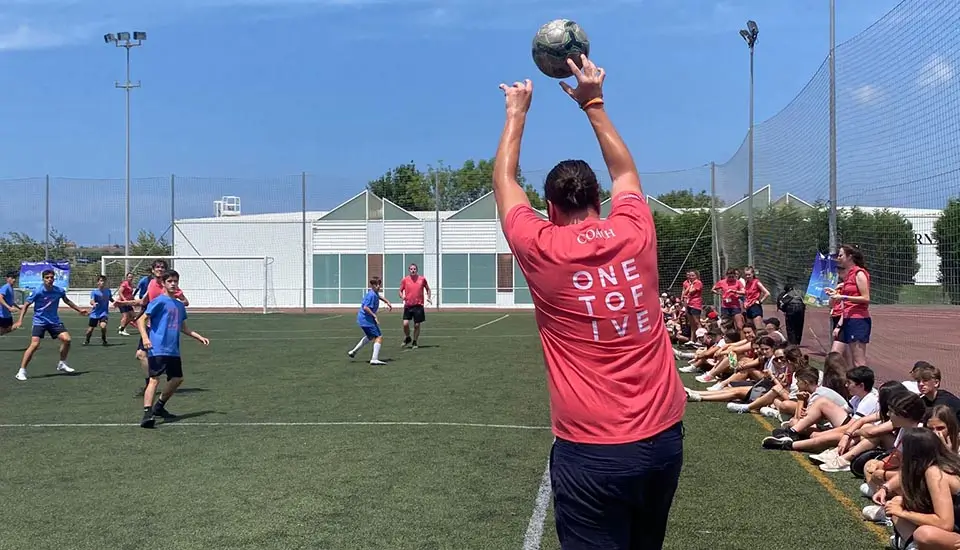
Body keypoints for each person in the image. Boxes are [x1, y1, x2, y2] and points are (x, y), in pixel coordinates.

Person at [493, 56, 685, 549]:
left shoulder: (542, 247)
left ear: (551, 208)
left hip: (593, 451)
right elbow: (625, 169)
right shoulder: (635, 229)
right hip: (663, 440)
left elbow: (506, 186)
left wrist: (517, 112)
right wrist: (592, 102)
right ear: (599, 199)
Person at [137, 270, 209, 428]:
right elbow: (142, 320)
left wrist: (198, 336)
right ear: (163, 283)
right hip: (158, 347)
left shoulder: (179, 305)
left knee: (177, 379)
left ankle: (159, 406)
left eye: (175, 281)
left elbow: (184, 328)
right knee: (154, 380)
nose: (173, 284)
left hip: (173, 349)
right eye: (169, 281)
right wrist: (145, 338)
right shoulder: (158, 301)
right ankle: (147, 414)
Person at [13, 269, 89, 381]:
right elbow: (26, 305)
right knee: (34, 345)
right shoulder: (38, 291)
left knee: (67, 340)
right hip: (40, 321)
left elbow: (67, 301)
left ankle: (62, 363)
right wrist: (20, 320)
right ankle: (21, 371)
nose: (50, 279)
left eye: (52, 277)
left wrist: (79, 310)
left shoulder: (58, 290)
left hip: (54, 321)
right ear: (43, 279)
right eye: (47, 277)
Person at [348, 276, 393, 365]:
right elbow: (365, 307)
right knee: (378, 336)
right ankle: (374, 359)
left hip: (363, 319)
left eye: (379, 284)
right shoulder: (371, 295)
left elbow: (378, 296)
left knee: (370, 337)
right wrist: (374, 316)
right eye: (376, 285)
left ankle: (353, 351)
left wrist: (387, 301)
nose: (378, 286)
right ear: (372, 285)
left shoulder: (374, 293)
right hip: (366, 319)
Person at [398, 263, 431, 349]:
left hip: (418, 305)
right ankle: (408, 337)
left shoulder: (422, 279)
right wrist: (402, 296)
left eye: (414, 269)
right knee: (405, 324)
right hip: (408, 305)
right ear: (409, 270)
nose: (413, 270)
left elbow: (428, 289)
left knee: (417, 325)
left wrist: (429, 297)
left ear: (417, 270)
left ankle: (415, 341)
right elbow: (400, 291)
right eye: (411, 269)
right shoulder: (405, 280)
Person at [85, 275, 114, 346]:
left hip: (104, 313)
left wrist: (115, 303)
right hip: (95, 314)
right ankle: (87, 340)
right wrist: (94, 303)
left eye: (104, 281)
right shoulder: (94, 292)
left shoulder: (108, 291)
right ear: (98, 282)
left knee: (103, 326)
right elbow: (91, 300)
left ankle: (104, 339)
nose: (102, 282)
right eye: (101, 281)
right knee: (90, 330)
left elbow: (110, 298)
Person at [0, 270, 21, 336]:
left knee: (10, 328)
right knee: (5, 330)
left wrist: (18, 307)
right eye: (12, 278)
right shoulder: (5, 287)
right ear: (7, 278)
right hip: (2, 315)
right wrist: (9, 307)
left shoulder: (11, 288)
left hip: (8, 315)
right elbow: (0, 298)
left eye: (15, 278)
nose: (14, 280)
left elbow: (11, 301)